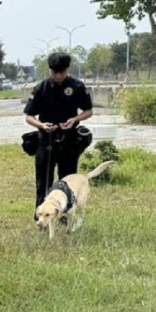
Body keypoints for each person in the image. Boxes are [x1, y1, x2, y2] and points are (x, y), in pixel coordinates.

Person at [24, 52, 93, 219]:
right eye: (55, 72)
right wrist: (41, 125)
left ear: (67, 69)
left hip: (69, 140)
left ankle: (64, 216)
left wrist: (75, 119)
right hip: (46, 140)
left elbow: (88, 111)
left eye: (61, 72)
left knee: (67, 182)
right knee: (43, 182)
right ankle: (41, 215)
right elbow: (29, 116)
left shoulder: (77, 86)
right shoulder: (41, 88)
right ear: (50, 70)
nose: (58, 76)